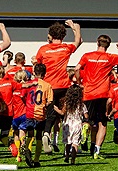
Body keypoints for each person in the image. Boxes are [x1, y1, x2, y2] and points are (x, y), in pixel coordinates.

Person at [75, 35, 118, 159]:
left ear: (97, 42)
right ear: (108, 45)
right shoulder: (110, 57)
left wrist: (80, 82)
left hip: (88, 92)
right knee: (102, 123)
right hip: (102, 93)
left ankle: (86, 126)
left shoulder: (87, 56)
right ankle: (96, 151)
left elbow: (76, 68)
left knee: (87, 119)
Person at [34, 20, 82, 152]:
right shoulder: (66, 48)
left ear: (50, 35)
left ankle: (46, 134)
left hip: (49, 85)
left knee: (50, 114)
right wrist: (75, 28)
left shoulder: (43, 49)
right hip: (63, 85)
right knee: (66, 115)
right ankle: (70, 143)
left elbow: (37, 65)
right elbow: (78, 41)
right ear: (63, 36)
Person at [59, 84, 88, 164]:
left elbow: (62, 113)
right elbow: (86, 115)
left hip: (68, 125)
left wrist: (55, 108)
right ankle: (73, 160)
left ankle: (67, 156)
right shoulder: (81, 105)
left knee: (68, 143)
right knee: (75, 143)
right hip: (77, 125)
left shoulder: (67, 103)